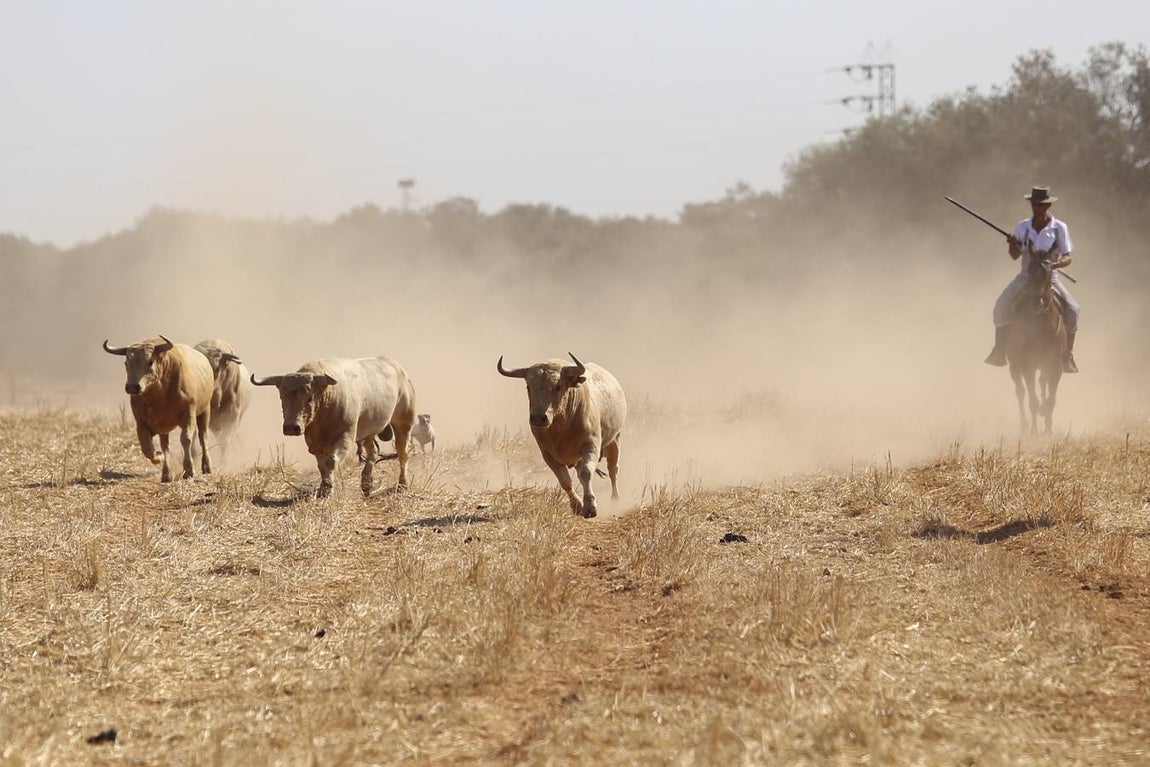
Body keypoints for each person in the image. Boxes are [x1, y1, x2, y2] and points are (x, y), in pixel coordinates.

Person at [984, 185, 1079, 373]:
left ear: (1047, 206)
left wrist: (1054, 265)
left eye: (1040, 205)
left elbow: (1068, 257)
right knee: (1001, 305)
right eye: (1034, 204)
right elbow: (1014, 255)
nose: (1036, 208)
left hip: (1050, 277)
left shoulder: (1059, 228)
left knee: (1073, 310)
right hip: (1026, 276)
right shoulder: (1022, 226)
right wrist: (1012, 244)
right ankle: (999, 350)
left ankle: (1067, 355)